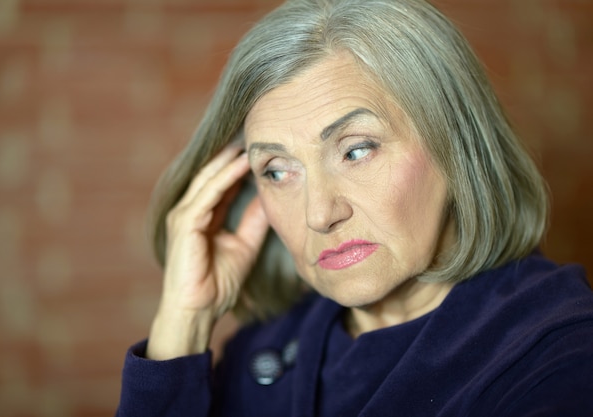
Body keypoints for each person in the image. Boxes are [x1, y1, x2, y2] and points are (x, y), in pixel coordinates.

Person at [116, 0, 593, 415]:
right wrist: (184, 323)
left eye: (357, 150)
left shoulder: (560, 352)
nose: (319, 214)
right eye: (277, 171)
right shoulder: (260, 350)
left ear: (456, 147)